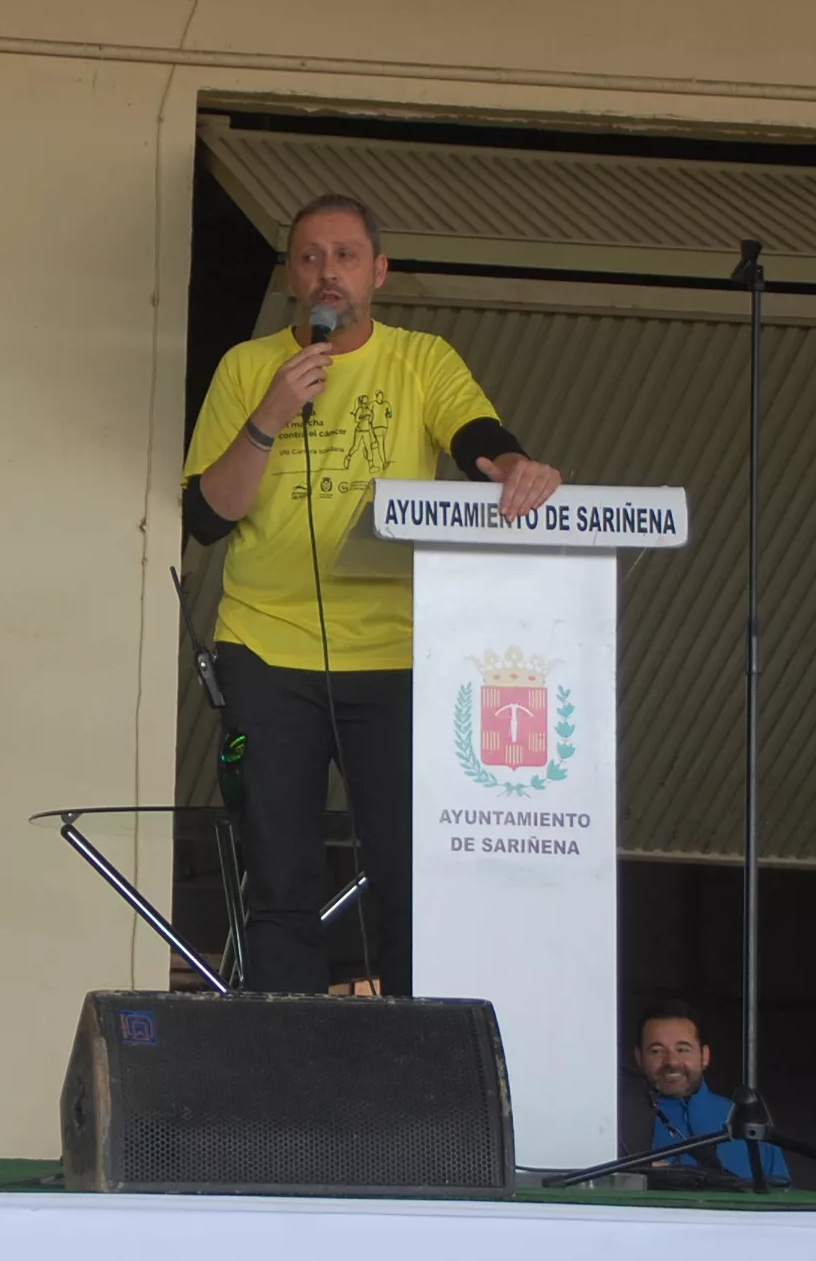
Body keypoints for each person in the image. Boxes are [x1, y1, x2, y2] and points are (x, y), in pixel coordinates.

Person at [182, 193, 560, 996]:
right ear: (291, 275)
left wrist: (516, 466)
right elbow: (207, 517)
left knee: (410, 874)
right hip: (266, 650)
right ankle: (291, 1076)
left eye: (346, 256)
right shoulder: (247, 369)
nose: (329, 273)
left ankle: (417, 1075)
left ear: (379, 273)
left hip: (394, 654)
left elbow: (475, 439)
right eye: (312, 257)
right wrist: (270, 415)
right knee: (281, 879)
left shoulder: (422, 359)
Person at [637, 1000, 791, 1183]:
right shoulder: (621, 1124)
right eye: (656, 1051)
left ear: (705, 1056)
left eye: (683, 1049)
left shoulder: (746, 1121)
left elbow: (780, 1200)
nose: (672, 1062)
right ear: (639, 1057)